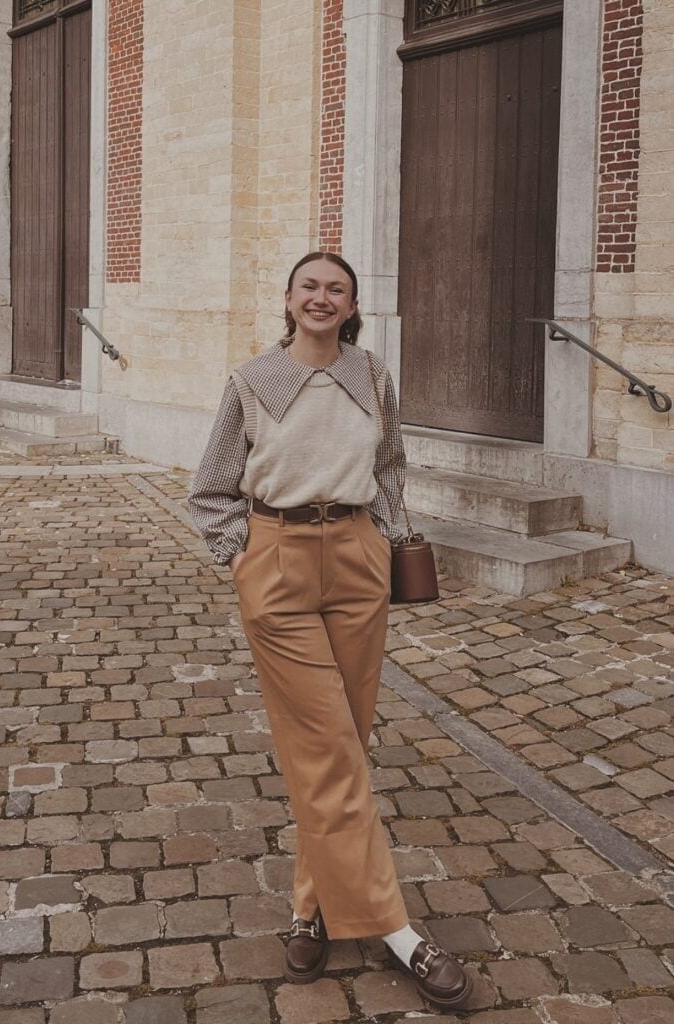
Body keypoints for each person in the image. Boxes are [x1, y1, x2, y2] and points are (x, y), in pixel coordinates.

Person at [188, 251, 472, 1009]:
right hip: (276, 560)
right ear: (287, 298)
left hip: (355, 561)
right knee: (325, 745)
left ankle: (309, 910)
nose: (321, 297)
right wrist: (239, 556)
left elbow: (389, 463)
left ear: (351, 307)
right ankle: (399, 933)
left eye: (335, 289)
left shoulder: (371, 376)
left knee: (344, 740)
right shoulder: (252, 381)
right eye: (308, 285)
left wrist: (375, 536)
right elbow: (211, 485)